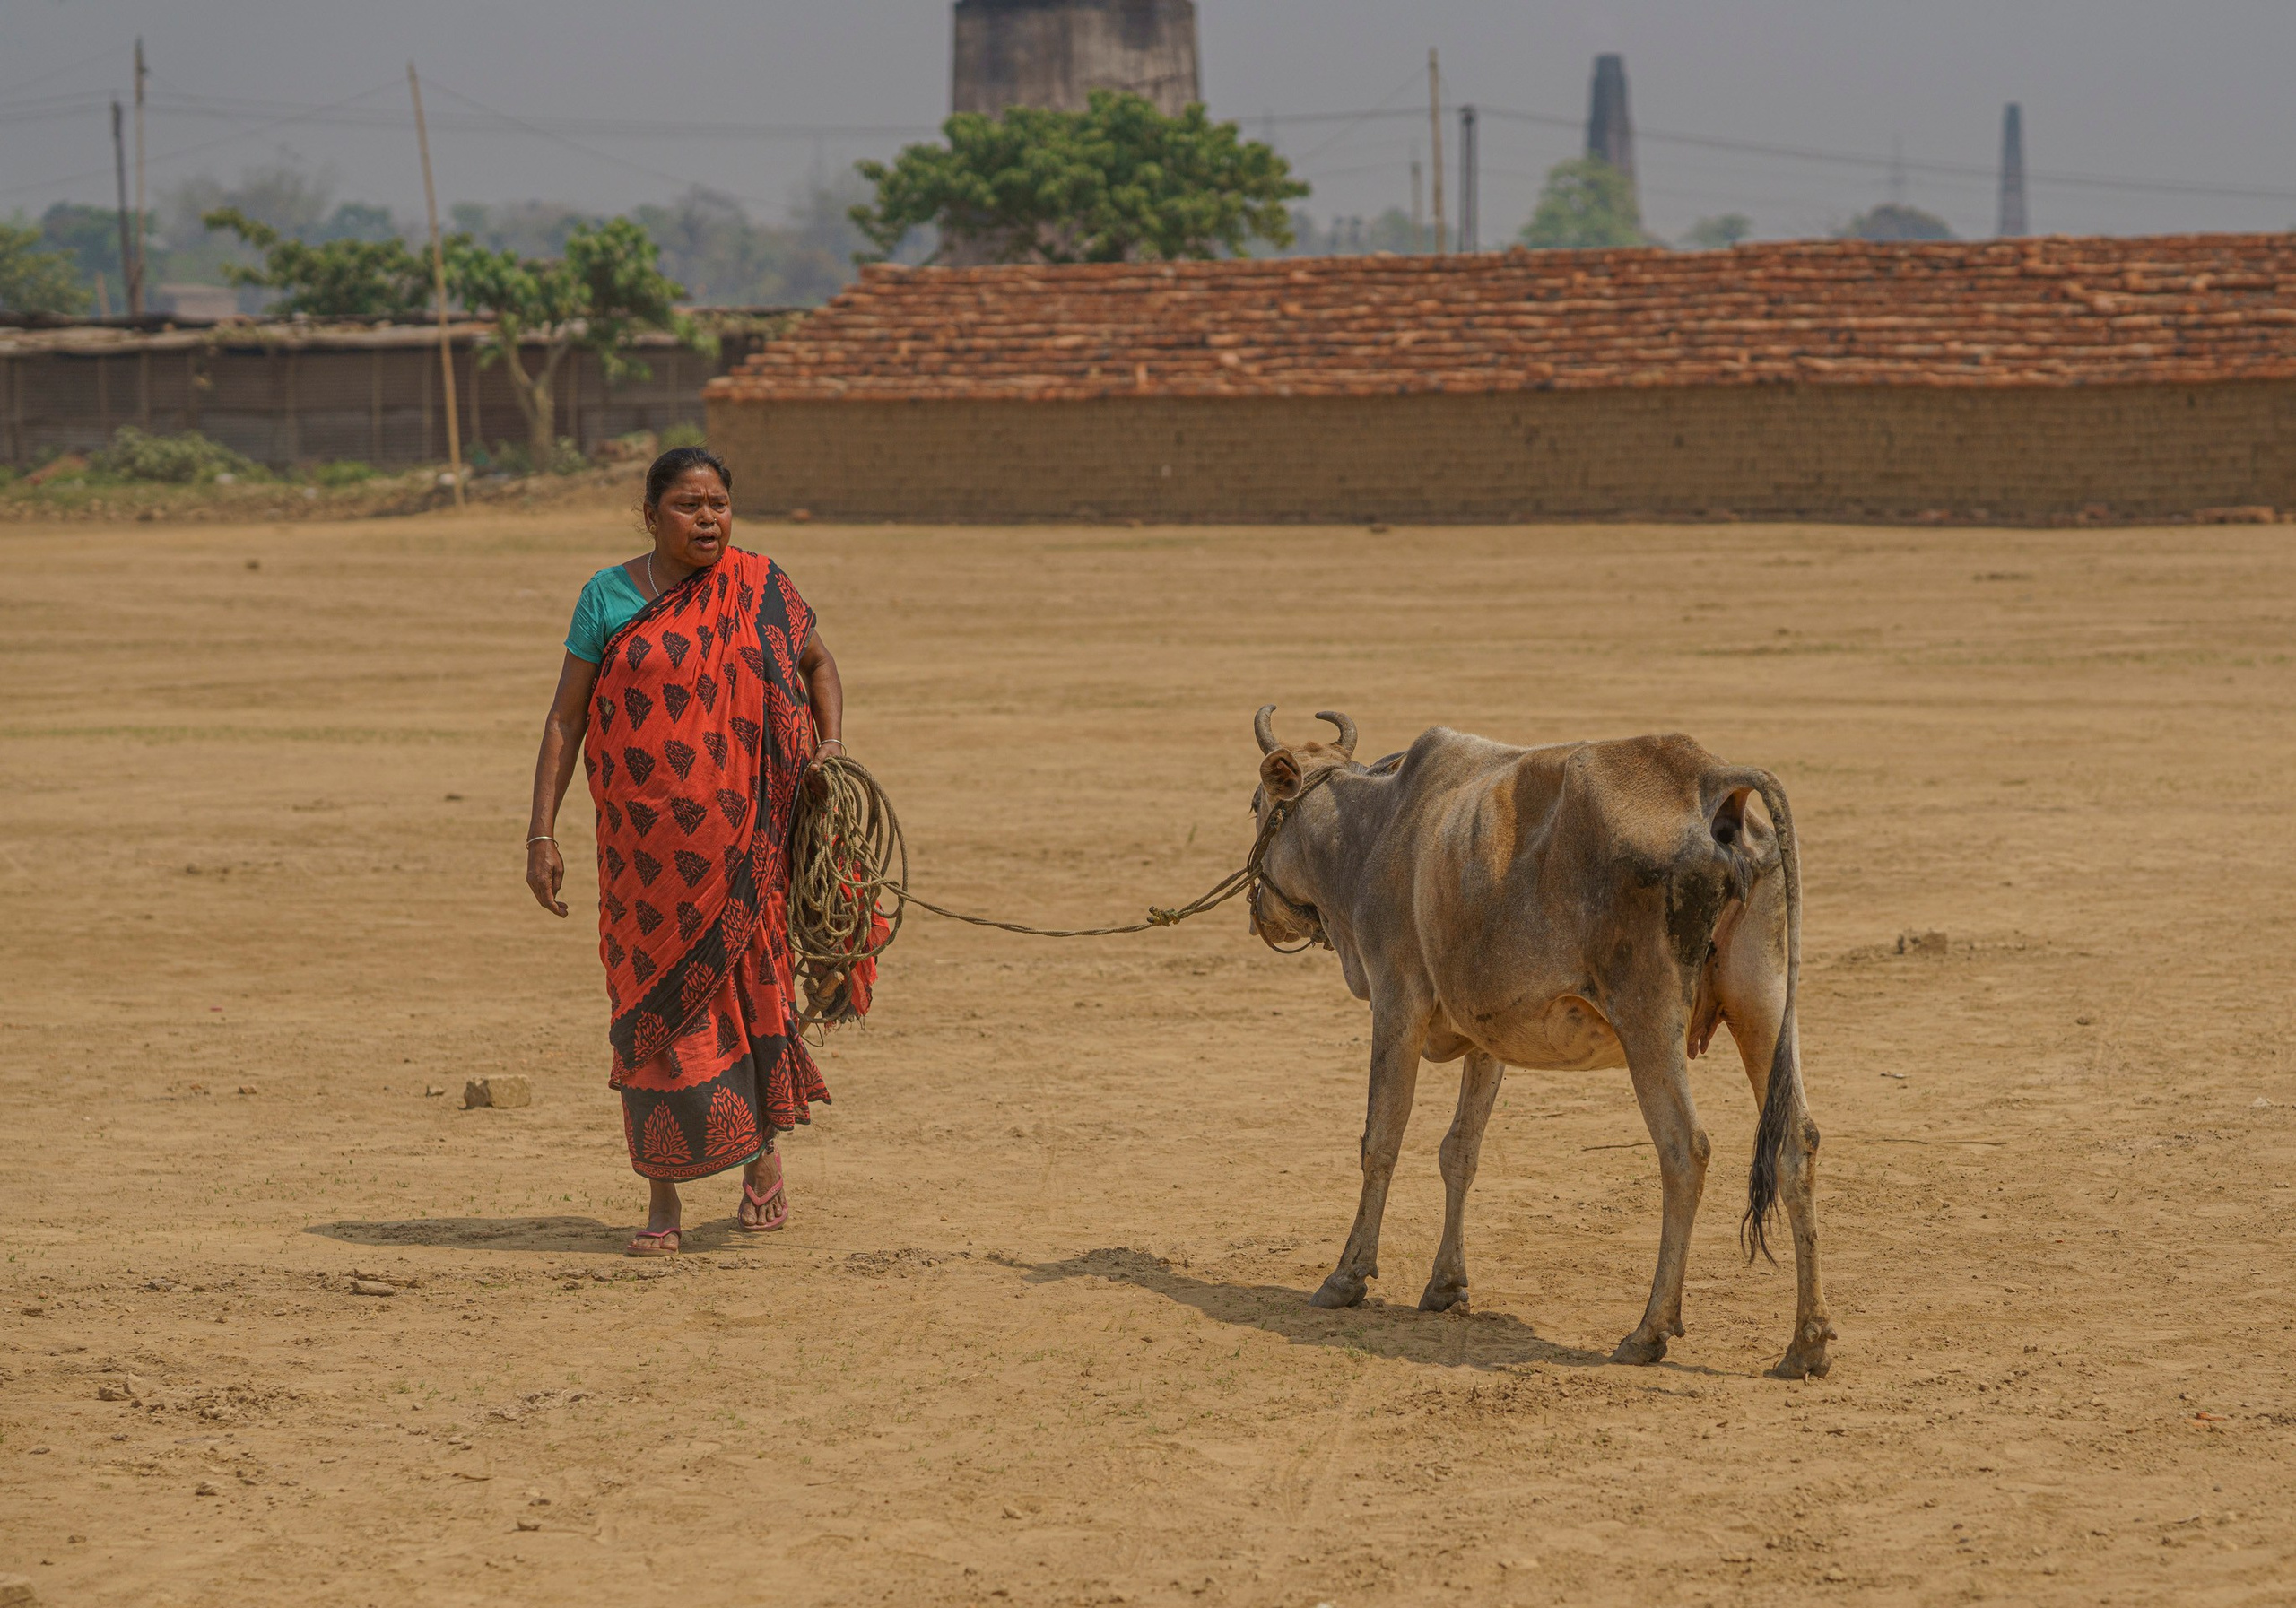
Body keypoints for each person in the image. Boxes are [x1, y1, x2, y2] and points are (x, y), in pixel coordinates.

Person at [524, 446, 860, 1256]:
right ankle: (663, 1200)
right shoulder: (605, 597)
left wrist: (833, 748)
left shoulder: (762, 587)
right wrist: (542, 830)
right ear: (650, 514)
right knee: (648, 1019)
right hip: (643, 863)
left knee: (747, 1001)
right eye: (688, 504)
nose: (708, 518)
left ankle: (760, 1161)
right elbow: (566, 719)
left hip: (745, 848)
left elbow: (819, 665)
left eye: (719, 503)